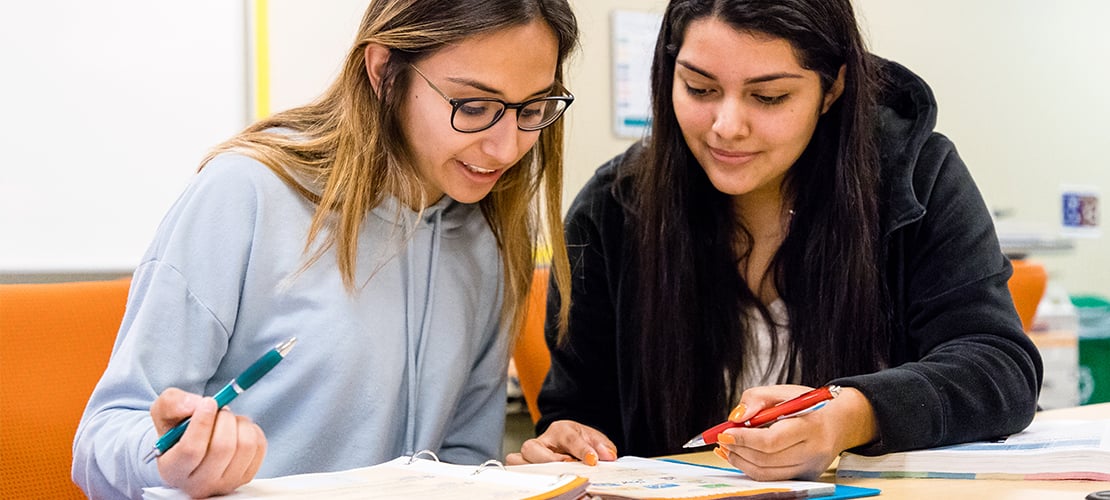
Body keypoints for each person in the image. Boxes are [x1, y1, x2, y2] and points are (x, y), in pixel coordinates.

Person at [508, 0, 1042, 482]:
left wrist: (852, 415)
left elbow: (999, 365)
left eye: (769, 96)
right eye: (699, 88)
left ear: (831, 89)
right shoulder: (614, 208)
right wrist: (567, 443)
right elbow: (578, 410)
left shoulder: (915, 175)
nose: (726, 125)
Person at [72, 0, 578, 497]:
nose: (507, 148)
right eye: (473, 107)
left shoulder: (483, 238)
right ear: (383, 71)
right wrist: (172, 460)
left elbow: (465, 457)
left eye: (533, 109)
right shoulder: (246, 193)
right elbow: (100, 441)